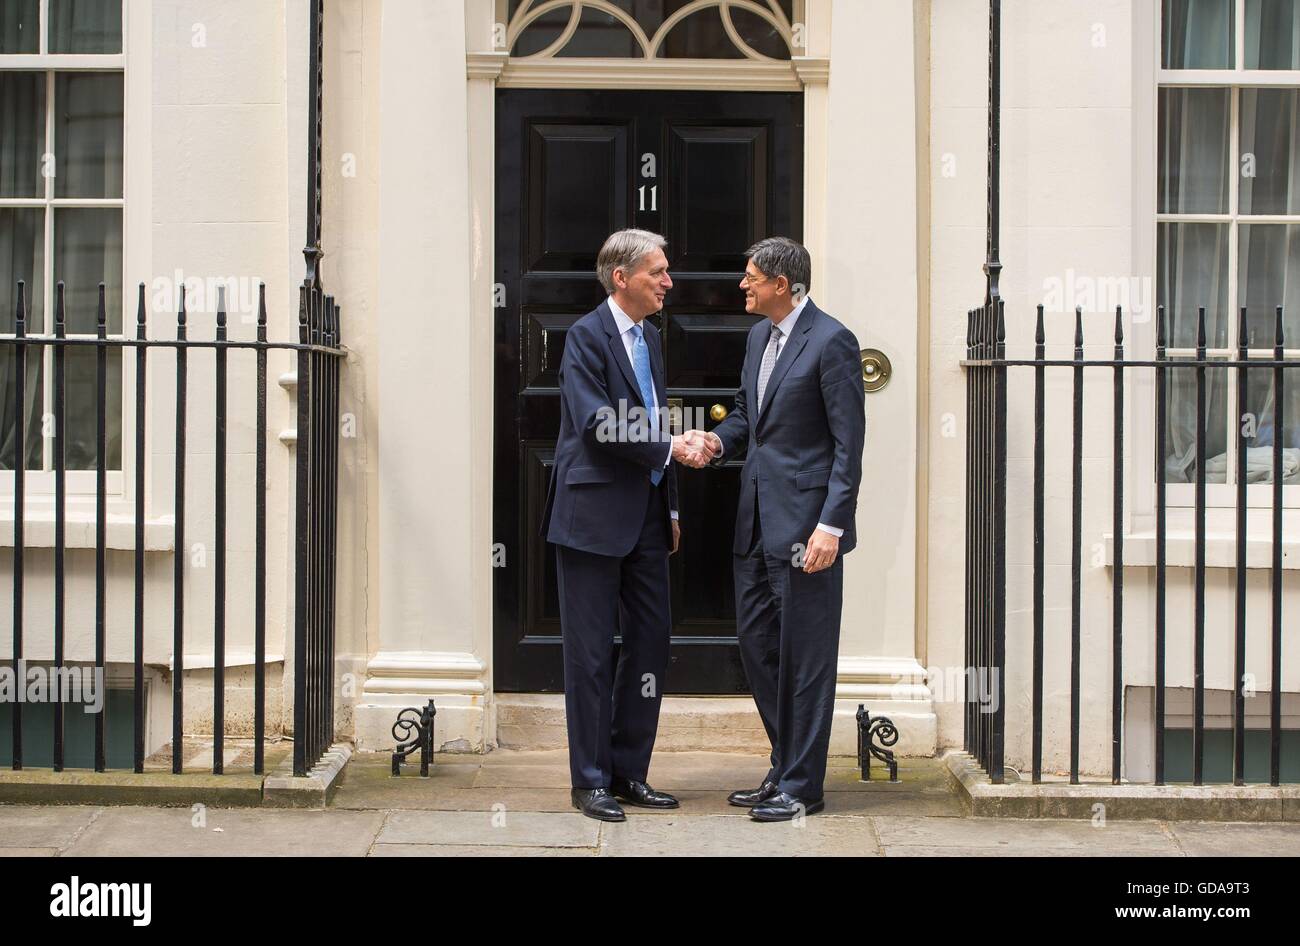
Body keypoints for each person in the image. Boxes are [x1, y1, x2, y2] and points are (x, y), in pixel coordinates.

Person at [689, 236, 866, 821]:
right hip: (754, 525)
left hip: (807, 532)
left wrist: (831, 527)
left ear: (782, 285)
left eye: (752, 278)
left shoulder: (832, 341)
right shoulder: (759, 337)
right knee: (759, 650)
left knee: (806, 659)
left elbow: (848, 445)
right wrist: (717, 441)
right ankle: (784, 763)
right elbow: (747, 415)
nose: (743, 286)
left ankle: (802, 787)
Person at [540, 228, 714, 822]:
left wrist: (668, 507)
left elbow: (650, 415)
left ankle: (628, 771)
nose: (669, 282)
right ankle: (588, 780)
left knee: (649, 646)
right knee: (589, 655)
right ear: (622, 277)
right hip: (590, 517)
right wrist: (671, 447)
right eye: (657, 272)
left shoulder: (651, 340)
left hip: (645, 515)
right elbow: (597, 423)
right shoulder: (585, 337)